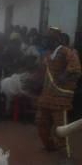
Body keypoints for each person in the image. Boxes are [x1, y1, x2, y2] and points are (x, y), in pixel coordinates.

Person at [36, 27, 81, 156]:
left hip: (60, 97)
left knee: (61, 127)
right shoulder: (47, 54)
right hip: (46, 96)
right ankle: (50, 146)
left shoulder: (66, 51)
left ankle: (65, 154)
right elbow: (43, 73)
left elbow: (76, 68)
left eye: (47, 39)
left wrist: (64, 76)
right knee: (40, 123)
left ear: (55, 39)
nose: (44, 41)